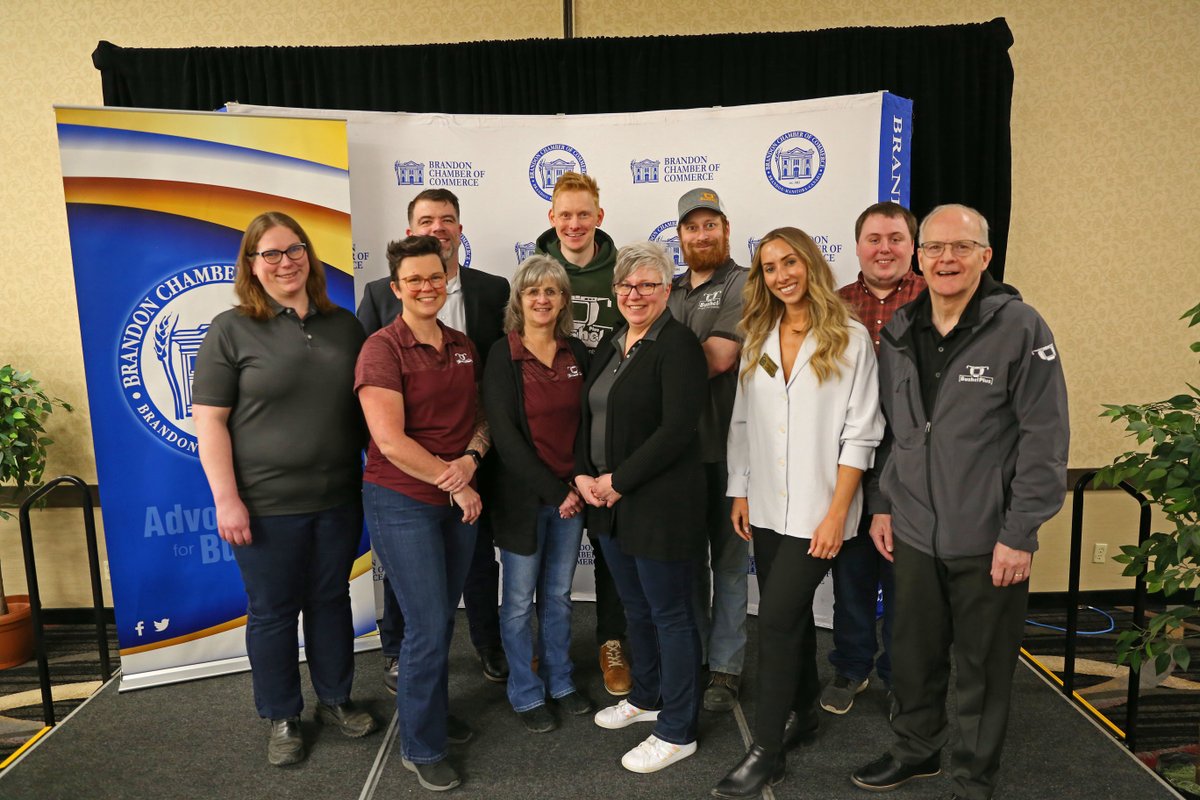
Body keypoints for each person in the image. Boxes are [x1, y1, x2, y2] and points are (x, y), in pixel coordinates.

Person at [851, 204, 1068, 800]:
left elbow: (1046, 440)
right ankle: (916, 750)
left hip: (989, 537)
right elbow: (894, 432)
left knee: (982, 667)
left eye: (961, 248)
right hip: (915, 532)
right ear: (919, 258)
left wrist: (1020, 532)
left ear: (985, 257)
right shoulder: (898, 330)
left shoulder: (1021, 327)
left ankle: (973, 775)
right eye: (935, 248)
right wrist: (884, 503)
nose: (947, 259)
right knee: (913, 655)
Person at [193, 211, 378, 768]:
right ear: (251, 266)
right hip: (264, 505)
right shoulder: (230, 329)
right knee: (273, 612)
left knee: (329, 600)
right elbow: (210, 422)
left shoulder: (344, 325)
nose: (285, 261)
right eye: (270, 254)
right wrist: (227, 499)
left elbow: (372, 408)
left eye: (294, 249)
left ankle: (336, 699)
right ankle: (281, 715)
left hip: (339, 498)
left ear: (309, 257)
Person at [712, 227, 883, 799]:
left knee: (779, 617)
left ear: (811, 264)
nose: (781, 274)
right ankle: (805, 711)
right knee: (793, 615)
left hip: (820, 509)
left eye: (790, 262)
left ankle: (765, 751)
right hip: (764, 507)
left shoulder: (852, 339)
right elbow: (742, 421)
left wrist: (838, 514)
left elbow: (862, 435)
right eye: (768, 267)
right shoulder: (758, 335)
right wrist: (740, 490)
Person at [358, 188, 511, 689]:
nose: (437, 228)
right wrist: (443, 473)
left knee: (472, 568)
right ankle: (400, 659)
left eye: (447, 220)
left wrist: (472, 458)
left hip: (476, 457)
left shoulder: (491, 292)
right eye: (427, 220)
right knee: (417, 595)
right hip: (407, 475)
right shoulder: (381, 300)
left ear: (460, 231)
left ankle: (488, 646)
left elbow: (494, 385)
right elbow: (376, 403)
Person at [355, 234, 491, 792]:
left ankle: (426, 712)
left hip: (455, 490)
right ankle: (420, 745)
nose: (426, 286)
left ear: (447, 279)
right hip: (403, 500)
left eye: (435, 277)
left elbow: (483, 418)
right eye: (414, 280)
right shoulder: (381, 348)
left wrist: (471, 459)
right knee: (429, 623)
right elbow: (388, 441)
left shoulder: (462, 343)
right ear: (397, 288)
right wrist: (453, 482)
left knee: (436, 619)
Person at [576, 241, 709, 774]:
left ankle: (678, 728)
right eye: (626, 286)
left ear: (668, 289)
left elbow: (677, 430)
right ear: (615, 293)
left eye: (647, 285)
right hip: (609, 504)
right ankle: (647, 697)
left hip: (659, 505)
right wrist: (585, 476)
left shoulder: (677, 345)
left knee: (671, 616)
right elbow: (588, 413)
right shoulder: (613, 342)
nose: (635, 294)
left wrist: (619, 480)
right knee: (635, 609)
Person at [823, 201, 927, 716]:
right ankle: (851, 667)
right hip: (849, 467)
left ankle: (900, 677)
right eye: (873, 239)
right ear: (857, 245)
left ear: (913, 246)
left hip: (915, 472)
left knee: (906, 585)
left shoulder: (936, 301)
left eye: (895, 238)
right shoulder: (834, 306)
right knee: (852, 577)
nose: (884, 248)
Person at [481, 255, 593, 734]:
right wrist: (556, 491)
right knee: (519, 601)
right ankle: (526, 692)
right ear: (519, 301)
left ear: (564, 300)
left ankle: (561, 681)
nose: (543, 300)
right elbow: (504, 438)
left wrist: (578, 483)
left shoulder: (578, 353)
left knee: (558, 596)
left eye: (552, 291)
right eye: (533, 292)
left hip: (572, 498)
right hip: (524, 500)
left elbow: (590, 426)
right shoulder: (501, 355)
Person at [535, 171, 631, 696]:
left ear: (599, 216)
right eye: (564, 214)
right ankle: (545, 647)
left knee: (610, 539)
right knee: (542, 552)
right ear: (552, 218)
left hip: (607, 429)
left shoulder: (623, 272)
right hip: (552, 431)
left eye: (583, 214)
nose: (574, 223)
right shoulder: (534, 274)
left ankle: (611, 641)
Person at [665, 188, 750, 713]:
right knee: (688, 564)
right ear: (679, 237)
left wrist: (652, 364)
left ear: (726, 228)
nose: (702, 235)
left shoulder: (744, 283)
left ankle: (726, 667)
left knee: (732, 566)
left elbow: (718, 358)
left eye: (710, 225)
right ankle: (694, 653)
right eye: (692, 227)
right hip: (678, 455)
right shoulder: (669, 291)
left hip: (730, 451)